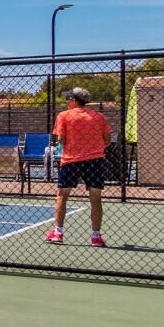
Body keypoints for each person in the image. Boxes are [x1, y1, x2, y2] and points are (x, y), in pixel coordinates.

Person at [46, 87, 111, 246]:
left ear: (74, 100)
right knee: (95, 198)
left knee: (62, 196)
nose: (67, 102)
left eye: (68, 99)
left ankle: (58, 233)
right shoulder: (99, 116)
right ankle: (96, 237)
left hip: (71, 160)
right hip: (95, 161)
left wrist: (74, 146)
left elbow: (61, 139)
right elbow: (107, 140)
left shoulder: (63, 116)